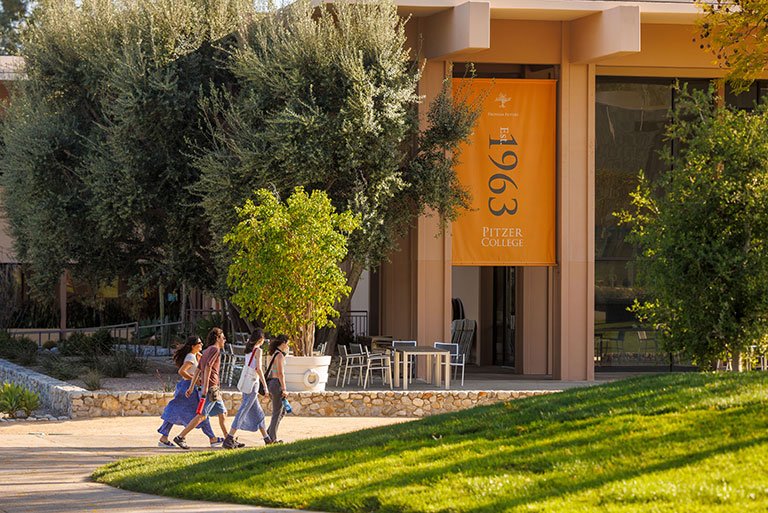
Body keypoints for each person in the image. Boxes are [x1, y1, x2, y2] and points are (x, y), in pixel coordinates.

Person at [173, 327, 237, 449]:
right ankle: (180, 437)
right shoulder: (214, 350)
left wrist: (191, 387)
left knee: (222, 413)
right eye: (223, 338)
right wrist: (205, 388)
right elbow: (207, 367)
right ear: (217, 338)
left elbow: (198, 369)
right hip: (211, 388)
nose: (225, 340)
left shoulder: (206, 351)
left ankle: (228, 440)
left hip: (213, 388)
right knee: (202, 415)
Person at [156, 336, 225, 448]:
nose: (202, 345)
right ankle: (212, 438)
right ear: (193, 346)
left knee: (189, 413)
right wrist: (195, 380)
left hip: (189, 388)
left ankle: (164, 437)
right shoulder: (190, 357)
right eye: (199, 343)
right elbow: (181, 371)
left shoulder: (195, 356)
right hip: (187, 388)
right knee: (201, 414)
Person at [223, 328, 273, 449]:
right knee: (243, 410)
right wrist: (265, 387)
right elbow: (258, 369)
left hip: (247, 384)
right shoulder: (258, 351)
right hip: (253, 384)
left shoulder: (248, 350)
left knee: (258, 413)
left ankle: (267, 439)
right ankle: (229, 438)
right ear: (260, 339)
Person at [266, 334, 290, 444]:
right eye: (288, 343)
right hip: (277, 384)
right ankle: (272, 438)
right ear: (283, 343)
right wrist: (284, 388)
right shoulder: (279, 355)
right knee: (277, 411)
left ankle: (270, 432)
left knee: (282, 410)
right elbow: (281, 373)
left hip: (271, 383)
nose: (288, 345)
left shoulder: (273, 354)